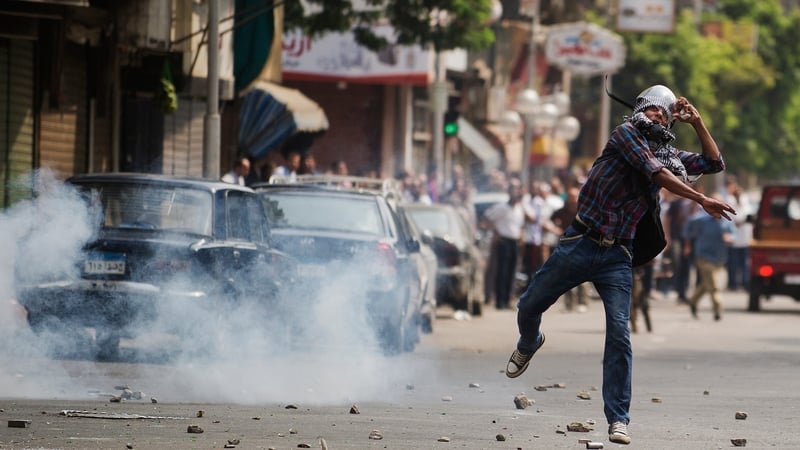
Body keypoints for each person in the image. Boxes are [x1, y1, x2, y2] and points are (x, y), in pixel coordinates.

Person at [504, 84, 736, 445]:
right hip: (580, 241)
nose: (658, 115)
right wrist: (701, 198)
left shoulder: (669, 153)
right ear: (639, 110)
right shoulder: (626, 134)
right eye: (653, 109)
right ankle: (530, 340)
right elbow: (656, 173)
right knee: (529, 305)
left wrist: (698, 123)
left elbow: (714, 163)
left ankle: (618, 419)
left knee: (619, 335)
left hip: (618, 254)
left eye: (665, 113)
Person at [683, 194, 735, 321]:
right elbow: (688, 229)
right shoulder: (701, 220)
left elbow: (733, 235)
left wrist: (729, 239)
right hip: (704, 257)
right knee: (715, 286)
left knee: (707, 285)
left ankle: (693, 301)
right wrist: (688, 245)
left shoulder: (726, 221)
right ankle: (718, 309)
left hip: (719, 258)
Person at [481, 177, 525, 310]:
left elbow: (520, 226)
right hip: (504, 242)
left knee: (512, 272)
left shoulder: (519, 208)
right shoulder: (501, 207)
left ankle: (507, 299)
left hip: (514, 243)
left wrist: (521, 237)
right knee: (502, 272)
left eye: (517, 189)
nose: (515, 192)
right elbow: (487, 218)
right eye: (513, 189)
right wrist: (495, 232)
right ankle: (500, 301)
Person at [721, 174, 753, 291]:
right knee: (734, 263)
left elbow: (746, 215)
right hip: (734, 236)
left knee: (743, 263)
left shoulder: (743, 198)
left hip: (744, 236)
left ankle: (743, 283)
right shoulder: (728, 199)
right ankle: (733, 283)